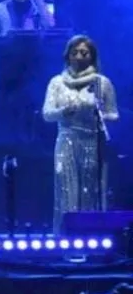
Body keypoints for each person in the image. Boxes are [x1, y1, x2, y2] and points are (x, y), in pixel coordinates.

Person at [42, 35, 118, 231]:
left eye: (84, 52)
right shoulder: (57, 82)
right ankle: (64, 238)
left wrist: (96, 114)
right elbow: (47, 114)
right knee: (66, 187)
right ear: (67, 56)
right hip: (66, 138)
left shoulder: (101, 83)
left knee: (89, 189)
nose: (79, 56)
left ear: (92, 56)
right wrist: (62, 112)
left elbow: (114, 114)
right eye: (74, 52)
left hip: (92, 140)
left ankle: (89, 236)